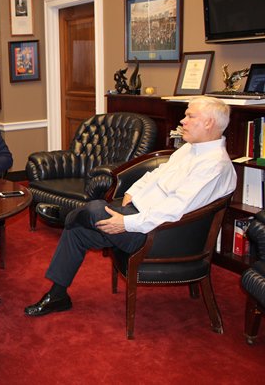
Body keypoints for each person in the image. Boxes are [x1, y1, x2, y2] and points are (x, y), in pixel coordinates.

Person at [24, 97, 237, 317]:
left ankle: (65, 215)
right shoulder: (190, 149)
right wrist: (133, 191)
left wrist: (126, 223)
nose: (183, 121)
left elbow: (174, 210)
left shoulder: (214, 166)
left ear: (209, 123)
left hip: (158, 235)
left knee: (95, 209)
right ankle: (57, 295)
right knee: (78, 228)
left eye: (190, 116)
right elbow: (155, 174)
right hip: (141, 214)